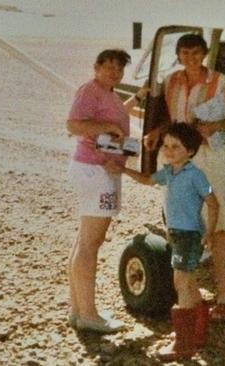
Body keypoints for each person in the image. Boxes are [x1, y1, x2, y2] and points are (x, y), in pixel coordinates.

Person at [143, 33, 225, 321]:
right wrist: (157, 133)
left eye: (196, 52)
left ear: (204, 53)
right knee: (181, 226)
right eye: (185, 53)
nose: (190, 57)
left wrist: (215, 126)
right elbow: (174, 121)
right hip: (176, 158)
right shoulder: (172, 81)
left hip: (209, 158)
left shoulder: (220, 82)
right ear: (178, 55)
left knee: (221, 227)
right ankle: (191, 297)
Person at [111, 123, 219, 361]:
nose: (168, 151)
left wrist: (209, 232)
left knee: (180, 282)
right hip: (176, 235)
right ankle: (197, 333)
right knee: (188, 283)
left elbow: (213, 202)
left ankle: (183, 344)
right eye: (166, 145)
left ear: (190, 151)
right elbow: (149, 180)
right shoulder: (169, 172)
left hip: (190, 235)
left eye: (175, 147)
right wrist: (125, 170)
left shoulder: (196, 175)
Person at [65, 49, 148, 333]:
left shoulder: (108, 94)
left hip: (99, 169)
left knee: (84, 240)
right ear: (96, 67)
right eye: (108, 67)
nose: (114, 72)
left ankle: (78, 310)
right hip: (95, 171)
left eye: (119, 69)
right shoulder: (90, 90)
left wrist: (137, 99)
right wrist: (108, 126)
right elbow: (74, 124)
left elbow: (116, 115)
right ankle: (89, 314)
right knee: (91, 243)